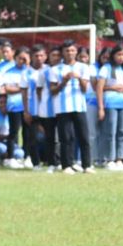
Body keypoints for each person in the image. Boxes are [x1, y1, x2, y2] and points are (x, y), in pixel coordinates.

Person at [47, 40, 95, 174]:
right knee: (66, 137)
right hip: (62, 108)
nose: (70, 53)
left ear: (76, 52)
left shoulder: (83, 67)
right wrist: (65, 81)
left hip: (79, 106)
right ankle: (66, 165)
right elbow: (53, 90)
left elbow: (85, 89)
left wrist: (79, 79)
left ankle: (87, 165)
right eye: (67, 51)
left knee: (84, 136)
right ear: (63, 52)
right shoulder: (54, 69)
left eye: (72, 50)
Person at [96, 46, 123, 170]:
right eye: (119, 55)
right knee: (110, 132)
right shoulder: (106, 68)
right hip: (110, 104)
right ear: (113, 55)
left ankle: (120, 159)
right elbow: (99, 88)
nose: (121, 58)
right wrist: (101, 108)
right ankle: (109, 159)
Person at [0, 93, 27, 164]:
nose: (3, 105)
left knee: (20, 153)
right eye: (1, 103)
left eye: (5, 103)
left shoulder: (12, 116)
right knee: (1, 149)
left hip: (6, 142)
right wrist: (9, 137)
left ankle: (4, 159)